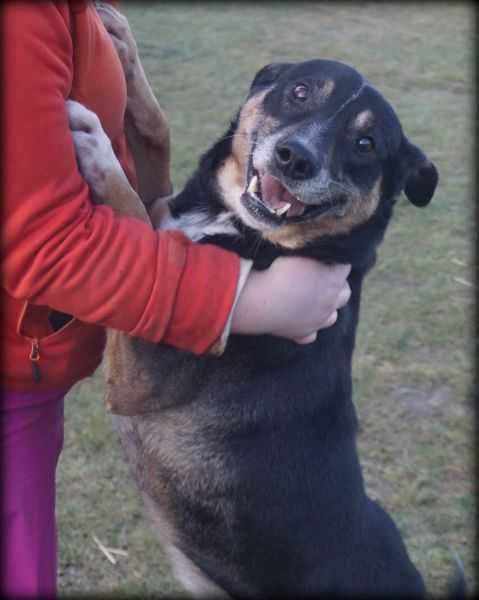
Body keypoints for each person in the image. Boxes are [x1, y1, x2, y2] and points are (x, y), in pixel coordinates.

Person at [0, 1, 351, 596]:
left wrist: (146, 128)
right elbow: (45, 242)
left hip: (31, 370)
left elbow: (155, 223)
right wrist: (252, 300)